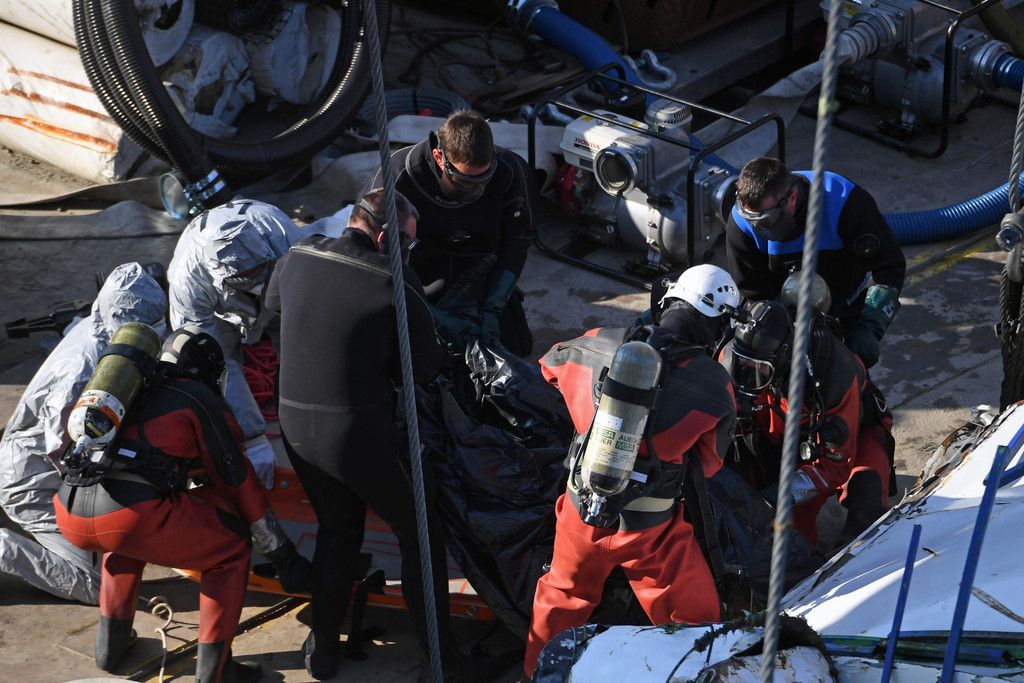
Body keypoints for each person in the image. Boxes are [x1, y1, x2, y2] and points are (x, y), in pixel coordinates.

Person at [268, 189, 488, 682]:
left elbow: (277, 316)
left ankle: (322, 651)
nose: (409, 252)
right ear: (387, 237)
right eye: (408, 244)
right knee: (420, 534)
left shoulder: (296, 255)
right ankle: (443, 662)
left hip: (294, 425)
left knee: (338, 529)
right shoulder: (392, 279)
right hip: (354, 433)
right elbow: (425, 368)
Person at [53, 326, 310, 682]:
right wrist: (283, 555)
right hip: (128, 517)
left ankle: (110, 649)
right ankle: (216, 672)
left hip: (69, 507)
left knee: (124, 544)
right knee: (231, 550)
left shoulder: (133, 390)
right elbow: (239, 482)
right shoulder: (197, 397)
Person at [523, 265, 740, 680]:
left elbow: (548, 368)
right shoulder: (715, 385)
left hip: (579, 515)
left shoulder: (596, 341)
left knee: (561, 598)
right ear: (718, 326)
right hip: (650, 534)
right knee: (697, 624)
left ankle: (534, 674)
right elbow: (711, 464)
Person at [0, 263, 166, 604]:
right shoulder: (84, 367)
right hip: (31, 478)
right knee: (99, 586)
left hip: (39, 462)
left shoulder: (97, 327)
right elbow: (62, 448)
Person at [365, 110, 535, 355]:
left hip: (478, 270)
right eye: (465, 181)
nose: (476, 190)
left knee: (515, 348)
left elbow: (518, 238)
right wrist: (433, 317)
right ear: (439, 157)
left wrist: (494, 306)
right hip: (419, 277)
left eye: (484, 178)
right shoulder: (397, 177)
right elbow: (373, 260)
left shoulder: (510, 170)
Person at [724, 298, 891, 545]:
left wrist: (777, 497)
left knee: (868, 505)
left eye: (759, 370)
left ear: (783, 361)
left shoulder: (833, 376)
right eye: (742, 366)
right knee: (774, 533)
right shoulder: (730, 360)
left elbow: (835, 466)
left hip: (850, 439)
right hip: (781, 441)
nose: (748, 379)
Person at [168, 199, 303, 489]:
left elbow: (309, 312)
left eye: (257, 273)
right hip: (222, 315)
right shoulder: (188, 280)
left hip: (282, 293)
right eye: (245, 280)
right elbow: (212, 361)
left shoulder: (281, 232)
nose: (255, 285)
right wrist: (253, 437)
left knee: (298, 346)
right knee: (224, 358)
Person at [725, 157, 906, 369]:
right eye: (752, 220)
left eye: (766, 221)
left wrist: (869, 327)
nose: (757, 229)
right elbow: (753, 290)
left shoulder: (844, 201)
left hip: (845, 300)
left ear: (792, 198)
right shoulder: (741, 223)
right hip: (780, 306)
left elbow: (890, 268)